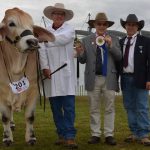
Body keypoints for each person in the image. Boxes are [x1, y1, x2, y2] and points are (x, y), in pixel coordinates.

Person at [75, 12, 122, 145]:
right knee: (94, 108)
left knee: (109, 107)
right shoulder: (85, 40)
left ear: (107, 25)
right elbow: (83, 60)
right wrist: (79, 52)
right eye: (99, 23)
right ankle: (95, 134)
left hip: (109, 78)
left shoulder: (114, 38)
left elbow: (119, 57)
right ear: (94, 25)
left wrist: (111, 45)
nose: (101, 26)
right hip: (93, 78)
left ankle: (109, 134)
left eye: (104, 24)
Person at [39, 3, 77, 149]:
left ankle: (70, 136)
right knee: (55, 107)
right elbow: (41, 50)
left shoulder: (70, 29)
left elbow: (64, 39)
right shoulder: (45, 30)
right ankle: (61, 134)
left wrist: (46, 39)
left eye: (61, 14)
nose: (59, 16)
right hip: (51, 74)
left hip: (66, 73)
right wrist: (45, 67)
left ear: (64, 16)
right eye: (56, 13)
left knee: (68, 107)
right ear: (52, 15)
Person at [119, 14, 150, 146]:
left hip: (141, 79)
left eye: (133, 25)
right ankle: (134, 132)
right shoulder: (121, 42)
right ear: (125, 26)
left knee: (142, 107)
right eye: (128, 24)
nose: (131, 27)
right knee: (129, 107)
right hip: (125, 78)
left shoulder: (146, 41)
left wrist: (149, 79)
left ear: (137, 27)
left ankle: (144, 134)